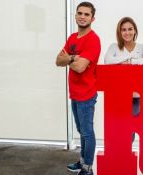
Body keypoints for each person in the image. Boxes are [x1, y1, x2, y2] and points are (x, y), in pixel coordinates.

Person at [55, 2, 101, 175]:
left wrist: (69, 58)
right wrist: (74, 57)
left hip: (87, 94)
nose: (82, 16)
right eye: (79, 13)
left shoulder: (93, 39)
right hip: (74, 93)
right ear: (75, 16)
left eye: (86, 14)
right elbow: (58, 61)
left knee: (87, 132)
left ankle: (88, 168)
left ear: (92, 18)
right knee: (81, 131)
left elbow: (81, 68)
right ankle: (82, 162)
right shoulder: (72, 38)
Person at [104, 17, 143, 141]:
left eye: (130, 29)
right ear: (119, 32)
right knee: (117, 129)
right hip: (118, 96)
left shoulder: (142, 47)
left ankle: (126, 156)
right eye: (124, 30)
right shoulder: (114, 47)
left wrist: (132, 61)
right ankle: (119, 156)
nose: (127, 33)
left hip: (135, 97)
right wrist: (125, 60)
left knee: (130, 129)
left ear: (135, 31)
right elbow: (107, 61)